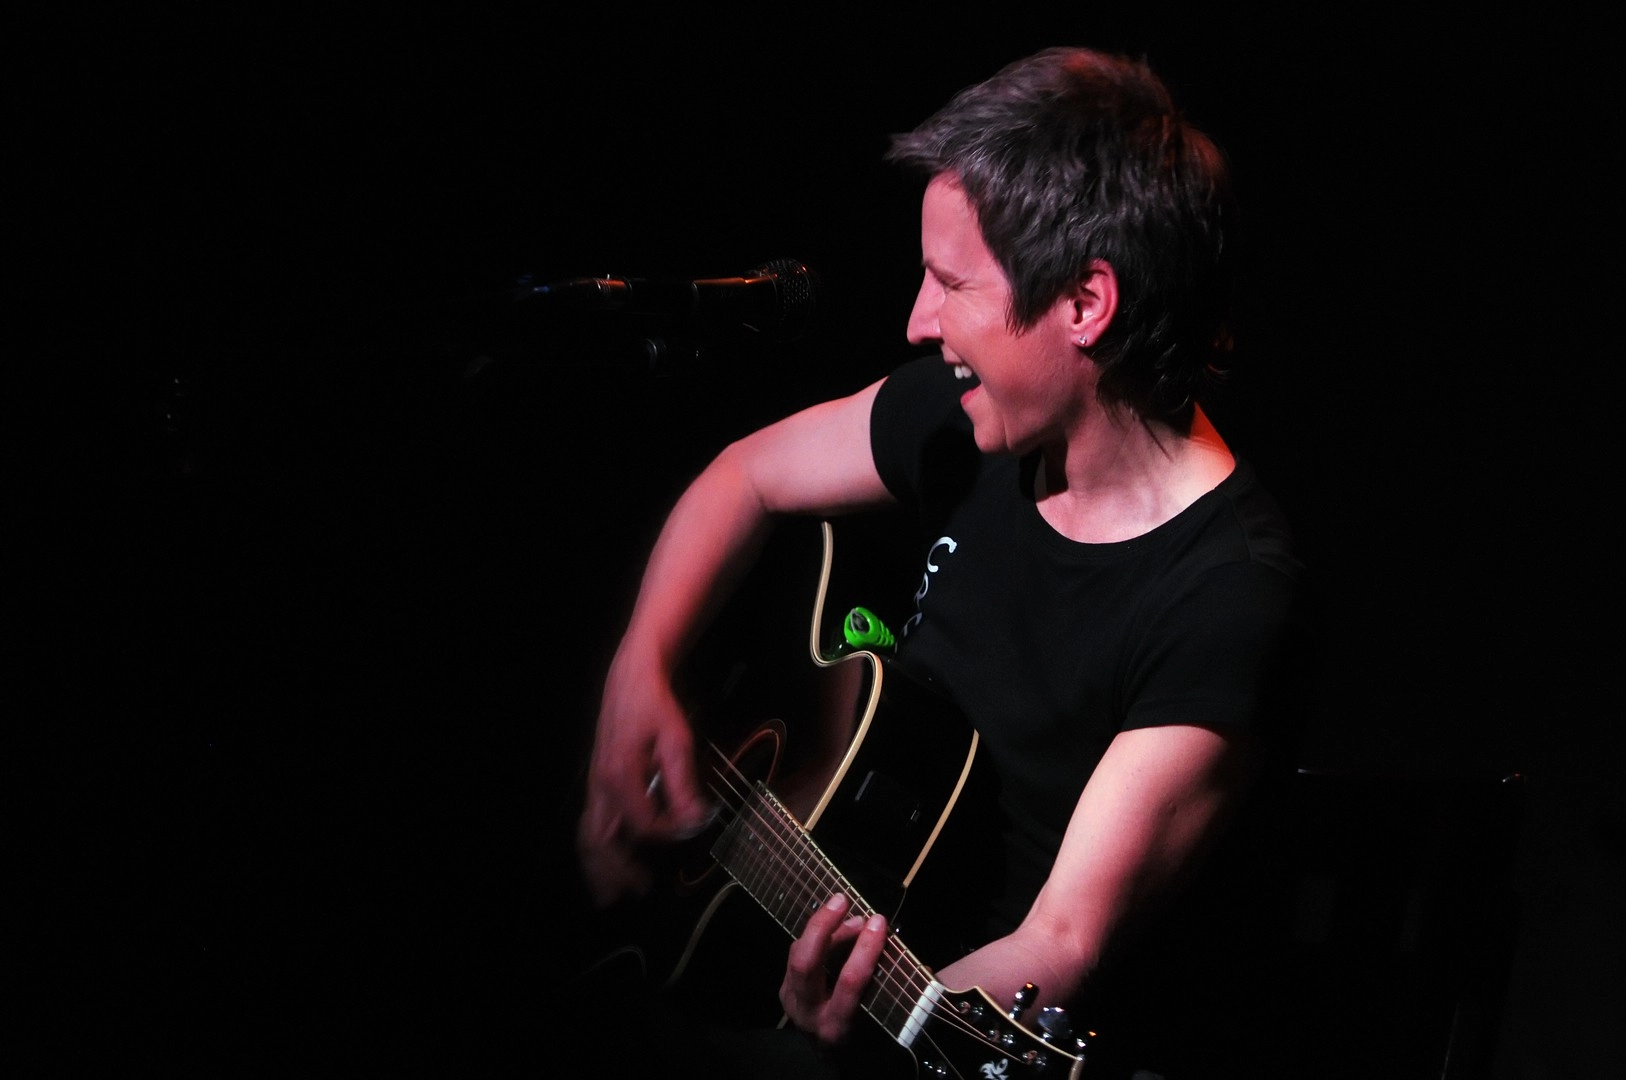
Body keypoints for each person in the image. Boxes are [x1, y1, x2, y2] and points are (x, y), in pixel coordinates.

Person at [572, 44, 1308, 1079]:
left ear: (1085, 303)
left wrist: (877, 1015)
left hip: (952, 1018)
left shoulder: (1226, 593)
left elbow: (1063, 942)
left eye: (951, 282)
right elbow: (743, 477)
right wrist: (637, 672)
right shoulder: (974, 419)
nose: (918, 321)